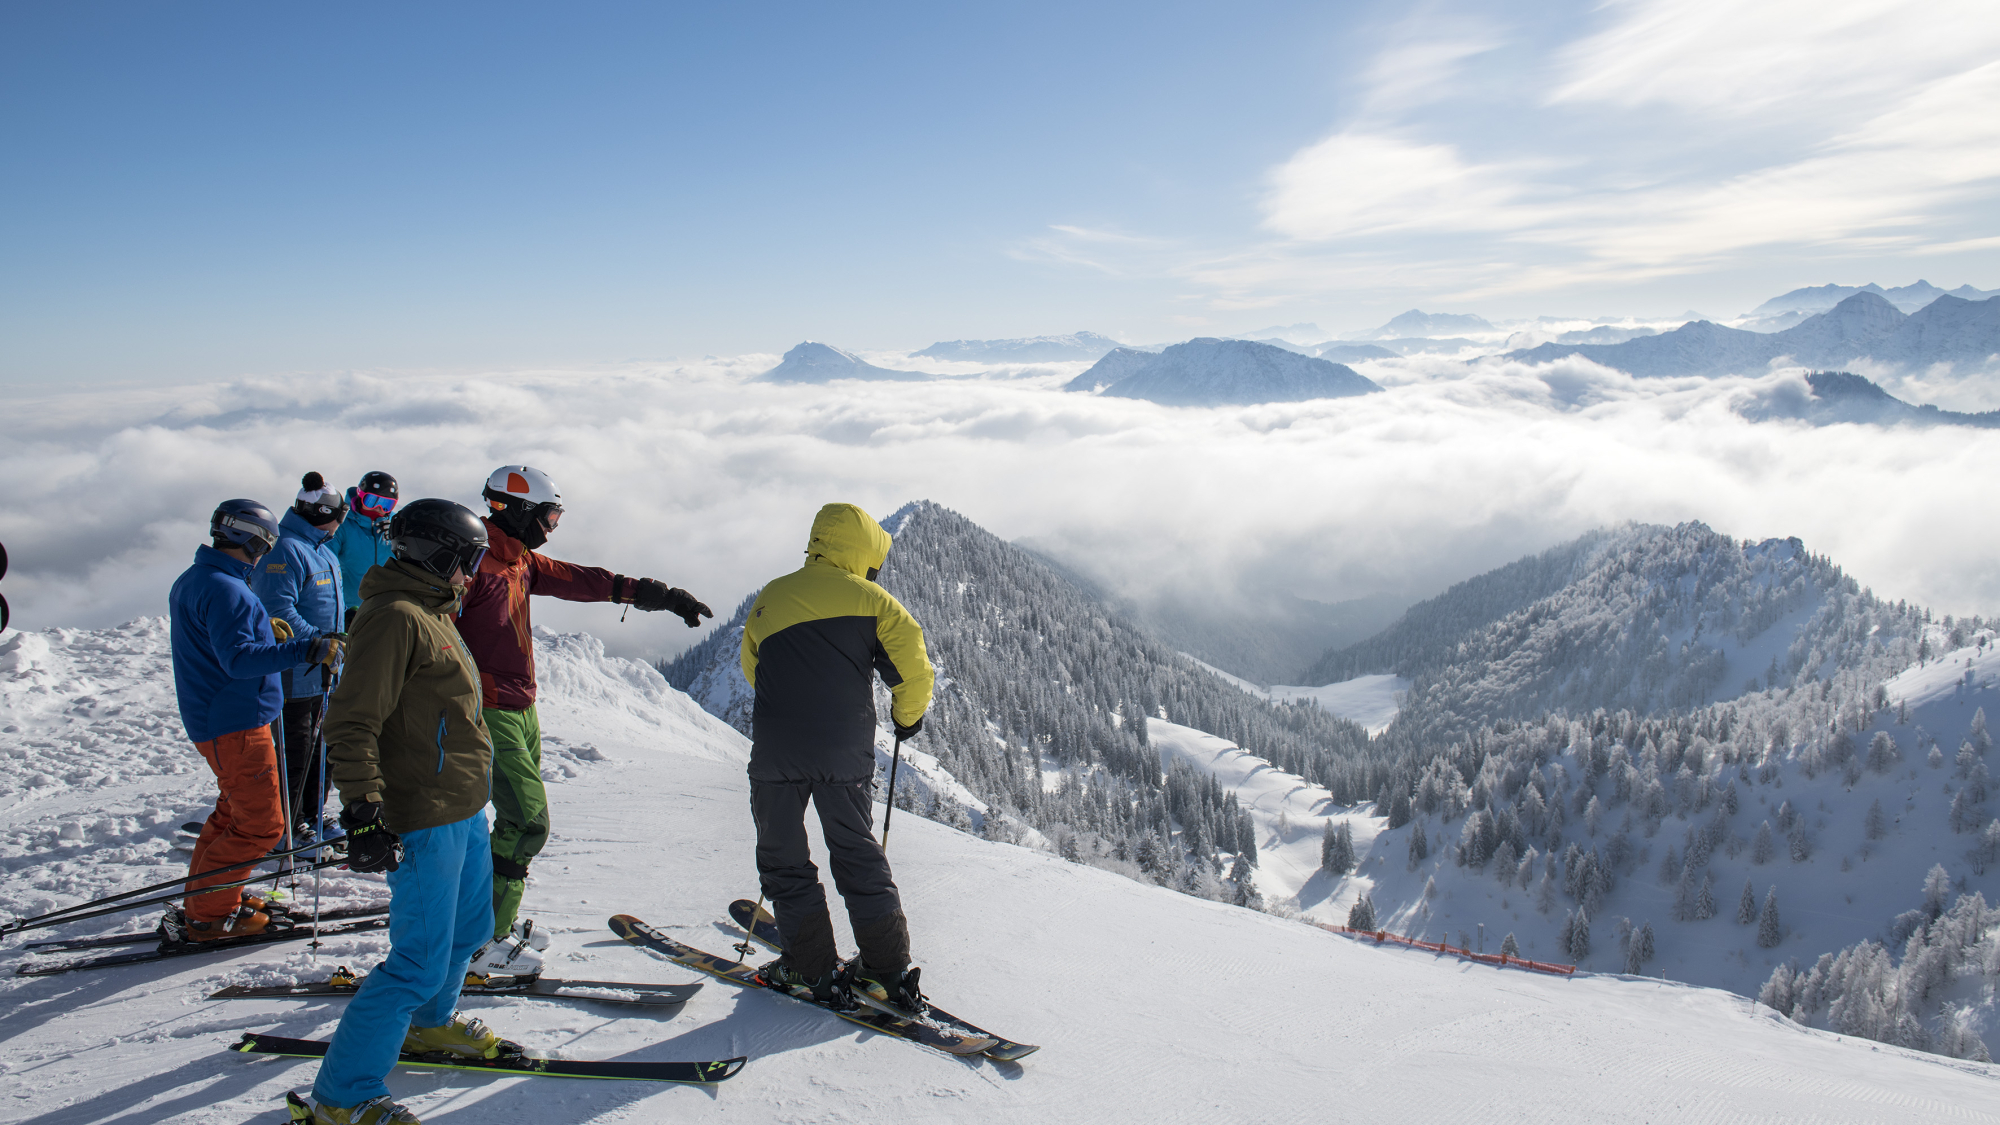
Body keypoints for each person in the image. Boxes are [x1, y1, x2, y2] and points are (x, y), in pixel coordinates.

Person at [455, 464, 713, 976]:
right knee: (525, 821)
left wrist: (660, 595)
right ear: (520, 510)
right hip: (489, 709)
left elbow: (581, 581)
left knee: (505, 821)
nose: (553, 526)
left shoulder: (518, 560)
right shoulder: (476, 565)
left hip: (521, 704)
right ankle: (480, 944)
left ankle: (486, 924)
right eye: (549, 515)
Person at [307, 498, 517, 1125]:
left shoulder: (433, 610)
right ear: (440, 555)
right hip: (423, 814)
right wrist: (364, 810)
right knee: (416, 963)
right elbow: (350, 723)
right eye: (470, 559)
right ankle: (341, 1099)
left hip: (462, 807)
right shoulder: (395, 618)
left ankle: (430, 1025)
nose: (474, 572)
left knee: (468, 933)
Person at [739, 502, 934, 1010]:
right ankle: (886, 971)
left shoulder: (770, 599)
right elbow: (913, 667)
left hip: (777, 751)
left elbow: (752, 668)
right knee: (857, 854)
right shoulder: (874, 601)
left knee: (784, 859)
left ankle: (809, 969)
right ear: (864, 550)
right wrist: (907, 718)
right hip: (843, 753)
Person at [168, 499, 338, 941]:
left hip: (219, 718)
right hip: (237, 721)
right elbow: (239, 660)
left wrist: (268, 633)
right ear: (256, 541)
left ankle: (213, 897)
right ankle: (208, 916)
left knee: (232, 815)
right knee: (262, 824)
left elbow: (227, 643)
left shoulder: (199, 579)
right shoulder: (227, 589)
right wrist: (305, 648)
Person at [250, 473, 348, 840]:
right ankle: (284, 827)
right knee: (296, 748)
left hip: (323, 669)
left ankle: (312, 814)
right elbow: (277, 610)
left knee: (321, 747)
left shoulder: (319, 548)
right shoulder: (286, 549)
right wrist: (320, 643)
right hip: (296, 666)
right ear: (329, 514)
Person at [328, 471, 399, 629]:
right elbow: (326, 565)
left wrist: (400, 541)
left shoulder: (397, 525)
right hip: (348, 612)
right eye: (372, 501)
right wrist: (338, 610)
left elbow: (410, 564)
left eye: (387, 505)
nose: (379, 509)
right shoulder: (342, 524)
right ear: (360, 495)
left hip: (386, 611)